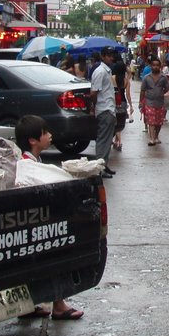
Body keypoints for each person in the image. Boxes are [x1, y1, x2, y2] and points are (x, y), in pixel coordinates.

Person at [15, 114, 83, 321]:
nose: (50, 135)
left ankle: (25, 306)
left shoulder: (31, 160)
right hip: (36, 222)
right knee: (55, 257)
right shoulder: (26, 164)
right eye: (45, 133)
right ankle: (59, 306)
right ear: (33, 140)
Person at [89, 49, 117, 177]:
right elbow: (94, 93)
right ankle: (99, 168)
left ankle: (103, 165)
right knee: (103, 140)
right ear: (103, 56)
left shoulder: (106, 71)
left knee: (107, 140)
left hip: (108, 109)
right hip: (104, 109)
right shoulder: (100, 72)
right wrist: (94, 107)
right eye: (109, 56)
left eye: (112, 56)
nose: (111, 58)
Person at [139, 57, 169, 145]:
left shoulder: (163, 78)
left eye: (157, 65)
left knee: (159, 122)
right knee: (151, 121)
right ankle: (151, 139)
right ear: (151, 66)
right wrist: (141, 102)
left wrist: (161, 93)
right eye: (153, 65)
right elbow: (142, 91)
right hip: (149, 102)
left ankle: (156, 136)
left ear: (160, 66)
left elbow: (167, 89)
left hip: (160, 103)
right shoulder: (146, 78)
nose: (155, 67)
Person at [110, 49, 133, 151]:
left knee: (114, 122)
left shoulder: (112, 78)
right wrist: (131, 105)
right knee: (120, 123)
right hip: (123, 103)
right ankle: (118, 141)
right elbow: (127, 94)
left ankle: (118, 141)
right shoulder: (126, 81)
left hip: (113, 102)